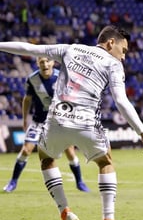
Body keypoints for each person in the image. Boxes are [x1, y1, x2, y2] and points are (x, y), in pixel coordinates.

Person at [0, 25, 143, 220]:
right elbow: (121, 101)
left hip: (56, 121)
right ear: (111, 43)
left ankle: (65, 211)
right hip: (86, 123)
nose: (123, 56)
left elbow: (29, 49)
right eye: (124, 50)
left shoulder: (70, 49)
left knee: (46, 160)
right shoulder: (112, 64)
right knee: (106, 162)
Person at [3, 57, 89, 193]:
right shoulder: (33, 79)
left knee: (70, 152)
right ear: (37, 63)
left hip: (59, 123)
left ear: (53, 62)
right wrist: (25, 119)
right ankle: (13, 182)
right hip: (38, 122)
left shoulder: (61, 77)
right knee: (26, 150)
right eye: (41, 61)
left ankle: (80, 182)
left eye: (47, 61)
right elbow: (27, 99)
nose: (44, 64)